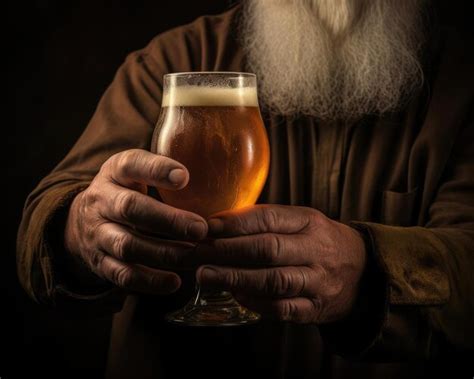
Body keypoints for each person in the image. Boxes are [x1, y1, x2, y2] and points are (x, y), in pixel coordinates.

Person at [17, 0, 473, 378]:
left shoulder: (462, 76)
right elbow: (37, 241)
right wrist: (82, 226)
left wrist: (369, 273)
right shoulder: (175, 58)